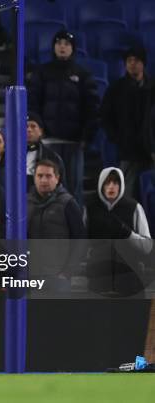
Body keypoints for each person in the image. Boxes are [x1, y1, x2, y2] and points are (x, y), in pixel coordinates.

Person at [28, 30, 99, 207]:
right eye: (59, 42)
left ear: (72, 48)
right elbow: (33, 103)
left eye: (66, 43)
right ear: (53, 47)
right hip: (49, 142)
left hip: (74, 143)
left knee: (74, 187)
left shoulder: (83, 74)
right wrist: (40, 132)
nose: (62, 46)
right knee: (47, 185)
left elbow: (92, 108)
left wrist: (86, 137)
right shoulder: (42, 72)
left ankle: (75, 227)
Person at [85, 168, 152, 297]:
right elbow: (81, 243)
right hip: (99, 281)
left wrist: (128, 233)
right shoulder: (90, 208)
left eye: (115, 183)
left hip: (131, 280)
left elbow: (147, 247)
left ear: (121, 185)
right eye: (107, 183)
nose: (111, 187)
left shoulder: (134, 207)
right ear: (101, 185)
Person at [101, 47, 155, 199]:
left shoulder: (153, 88)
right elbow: (105, 116)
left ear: (143, 63)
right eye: (129, 61)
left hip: (150, 152)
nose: (132, 64)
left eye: (136, 60)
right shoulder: (116, 89)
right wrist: (117, 138)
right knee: (127, 194)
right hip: (127, 151)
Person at [27, 160, 85, 293]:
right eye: (40, 176)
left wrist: (67, 272)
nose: (43, 180)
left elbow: (80, 240)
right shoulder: (25, 203)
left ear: (57, 178)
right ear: (34, 178)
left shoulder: (68, 203)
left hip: (58, 277)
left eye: (48, 176)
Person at [26, 112, 66, 193]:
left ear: (40, 131)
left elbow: (61, 187)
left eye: (33, 126)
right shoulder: (9, 155)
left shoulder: (52, 157)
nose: (28, 130)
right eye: (25, 126)